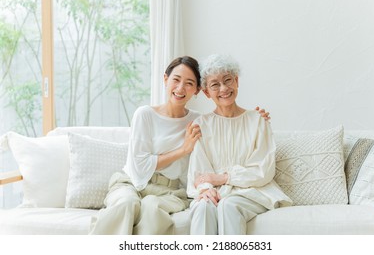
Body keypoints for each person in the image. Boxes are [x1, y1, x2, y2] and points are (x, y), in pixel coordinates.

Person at [89, 55, 271, 235]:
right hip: (132, 183)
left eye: (189, 83)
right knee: (126, 204)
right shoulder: (145, 114)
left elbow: (204, 163)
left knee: (152, 208)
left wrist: (256, 119)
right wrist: (184, 150)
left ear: (198, 90)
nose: (181, 88)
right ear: (165, 79)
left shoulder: (198, 121)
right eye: (176, 80)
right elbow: (139, 169)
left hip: (169, 191)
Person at [187, 54, 293, 235]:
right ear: (206, 92)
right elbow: (199, 172)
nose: (223, 88)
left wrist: (222, 178)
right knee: (203, 205)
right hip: (218, 191)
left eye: (228, 80)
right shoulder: (201, 125)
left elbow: (263, 170)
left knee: (228, 205)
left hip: (254, 192)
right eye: (215, 84)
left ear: (236, 81)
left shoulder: (258, 120)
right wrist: (206, 189)